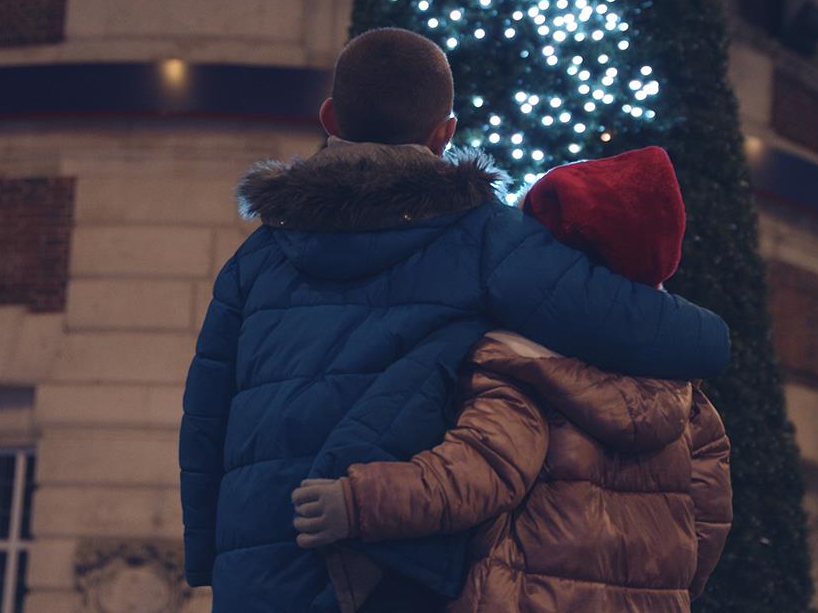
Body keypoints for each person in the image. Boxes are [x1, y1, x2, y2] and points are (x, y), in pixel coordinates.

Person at [178, 28, 730, 612]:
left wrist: (207, 556)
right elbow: (632, 325)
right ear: (446, 134)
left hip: (259, 562)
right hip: (390, 563)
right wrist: (715, 336)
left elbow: (205, 417)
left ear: (330, 117)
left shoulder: (256, 259)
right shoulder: (486, 239)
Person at [293, 147, 734, 613]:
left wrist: (359, 501)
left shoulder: (523, 368)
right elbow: (707, 527)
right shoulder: (691, 404)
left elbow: (478, 473)